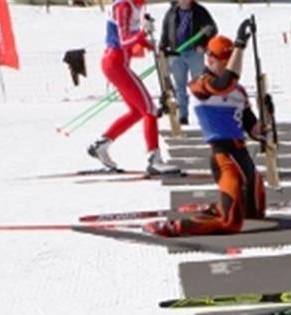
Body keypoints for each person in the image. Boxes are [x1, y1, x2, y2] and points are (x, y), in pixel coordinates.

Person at [144, 24, 266, 238]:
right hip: (224, 158)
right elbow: (223, 84)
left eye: (233, 61)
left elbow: (252, 126)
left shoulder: (239, 92)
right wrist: (239, 46)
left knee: (256, 212)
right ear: (210, 60)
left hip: (243, 155)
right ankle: (175, 227)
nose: (232, 66)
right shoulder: (200, 84)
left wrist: (264, 131)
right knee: (230, 223)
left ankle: (216, 207)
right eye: (225, 62)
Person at [88, 0, 181, 175]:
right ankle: (154, 159)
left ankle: (102, 144)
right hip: (115, 63)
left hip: (119, 63)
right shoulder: (124, 6)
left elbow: (133, 37)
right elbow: (124, 40)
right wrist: (142, 33)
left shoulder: (137, 5)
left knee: (137, 111)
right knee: (150, 109)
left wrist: (154, 46)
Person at [158, 0, 218, 125]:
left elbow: (213, 29)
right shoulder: (172, 12)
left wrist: (203, 44)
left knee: (200, 85)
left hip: (195, 53)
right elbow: (165, 31)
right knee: (180, 87)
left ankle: (204, 115)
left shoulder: (199, 11)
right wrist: (163, 47)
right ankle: (183, 117)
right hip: (176, 54)